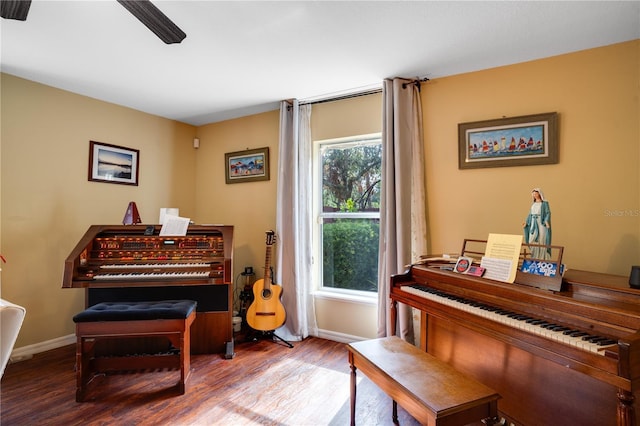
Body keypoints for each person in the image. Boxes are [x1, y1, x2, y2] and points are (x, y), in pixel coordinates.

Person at [523, 188, 552, 259]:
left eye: (536, 193)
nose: (534, 195)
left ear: (539, 193)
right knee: (531, 240)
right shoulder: (533, 204)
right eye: (533, 194)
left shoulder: (544, 203)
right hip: (533, 222)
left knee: (542, 239)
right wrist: (526, 222)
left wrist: (546, 221)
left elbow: (548, 213)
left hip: (541, 223)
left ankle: (542, 258)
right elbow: (530, 214)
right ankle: (534, 257)